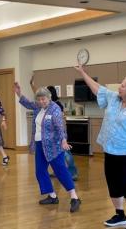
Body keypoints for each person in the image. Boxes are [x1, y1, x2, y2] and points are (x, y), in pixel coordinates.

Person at [74, 64, 126, 229]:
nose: (119, 88)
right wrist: (83, 73)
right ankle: (120, 215)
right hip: (110, 151)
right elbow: (96, 88)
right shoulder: (114, 98)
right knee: (113, 184)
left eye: (123, 86)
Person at [14, 82, 81, 212]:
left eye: (43, 99)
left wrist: (63, 140)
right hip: (40, 144)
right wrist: (19, 94)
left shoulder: (55, 109)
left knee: (60, 171)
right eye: (39, 99)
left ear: (49, 98)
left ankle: (74, 197)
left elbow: (60, 127)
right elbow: (28, 103)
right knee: (40, 171)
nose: (41, 101)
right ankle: (52, 195)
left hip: (54, 146)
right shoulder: (38, 107)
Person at [30, 76, 78, 181]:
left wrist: (62, 138)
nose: (41, 100)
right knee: (56, 154)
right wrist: (32, 85)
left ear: (49, 95)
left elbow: (58, 121)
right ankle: (59, 172)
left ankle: (73, 173)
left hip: (59, 134)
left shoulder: (56, 105)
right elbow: (38, 95)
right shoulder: (48, 104)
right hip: (56, 134)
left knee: (65, 153)